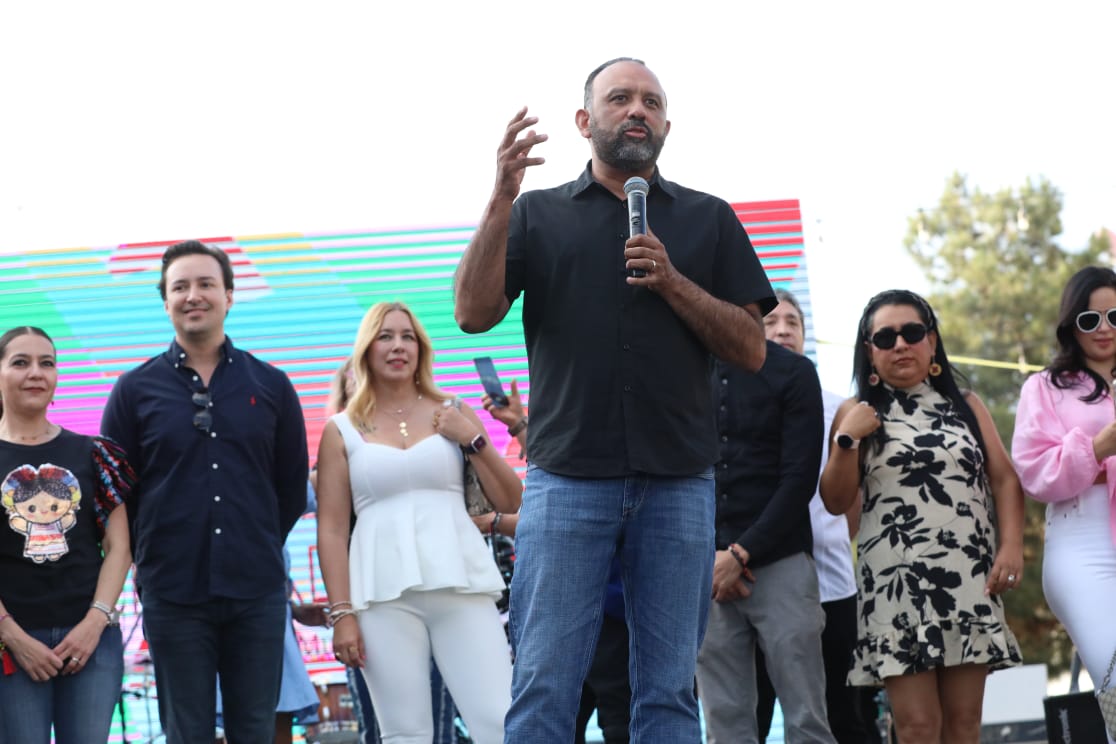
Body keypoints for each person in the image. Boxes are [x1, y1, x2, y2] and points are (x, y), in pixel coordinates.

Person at [454, 57, 774, 742]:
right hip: (568, 479)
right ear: (584, 121)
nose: (637, 111)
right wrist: (502, 195)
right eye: (620, 98)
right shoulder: (537, 213)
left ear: (666, 127)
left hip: (679, 481)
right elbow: (472, 314)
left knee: (669, 691)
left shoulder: (709, 218)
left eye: (652, 102)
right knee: (544, 683)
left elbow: (752, 349)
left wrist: (673, 281)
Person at [101, 240, 309, 743]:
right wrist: (150, 557)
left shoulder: (272, 385)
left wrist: (255, 540)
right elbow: (116, 495)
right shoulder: (133, 390)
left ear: (229, 296)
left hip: (256, 588)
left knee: (255, 729)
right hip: (173, 592)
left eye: (205, 284)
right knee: (186, 731)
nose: (193, 295)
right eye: (180, 287)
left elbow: (289, 488)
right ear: (166, 301)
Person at [819, 289, 1024, 744]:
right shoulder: (856, 412)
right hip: (895, 586)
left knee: (964, 724)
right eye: (885, 337)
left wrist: (1011, 547)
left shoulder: (967, 405)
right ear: (869, 351)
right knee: (916, 727)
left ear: (931, 341)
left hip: (968, 578)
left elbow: (1005, 479)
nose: (900, 345)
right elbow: (834, 501)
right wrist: (846, 441)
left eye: (912, 333)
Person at [316, 301, 522, 744]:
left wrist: (473, 438)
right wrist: (342, 614)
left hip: (461, 583)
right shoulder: (341, 429)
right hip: (380, 594)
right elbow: (331, 530)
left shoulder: (453, 410)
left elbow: (511, 500)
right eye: (385, 337)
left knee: (500, 721)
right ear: (366, 349)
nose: (398, 346)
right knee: (404, 733)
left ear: (422, 349)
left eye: (407, 337)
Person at [696, 326, 835, 743]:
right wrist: (712, 557)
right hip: (705, 568)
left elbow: (799, 479)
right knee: (724, 723)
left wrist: (740, 553)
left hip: (781, 560)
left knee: (807, 717)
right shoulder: (684, 369)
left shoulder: (792, 371)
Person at [0, 326, 135, 743]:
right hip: (10, 645)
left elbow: (119, 547)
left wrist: (95, 622)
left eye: (47, 363)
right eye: (20, 362)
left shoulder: (94, 454)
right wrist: (12, 637)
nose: (35, 372)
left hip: (91, 642)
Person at [480, 384, 630, 744]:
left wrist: (494, 521)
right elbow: (560, 475)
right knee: (549, 721)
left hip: (613, 607)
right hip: (561, 607)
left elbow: (575, 512)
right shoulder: (565, 436)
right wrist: (517, 424)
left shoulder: (622, 425)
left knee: (621, 723)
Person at [754, 289, 871, 744]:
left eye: (792, 322)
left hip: (832, 586)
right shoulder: (728, 402)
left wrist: (834, 539)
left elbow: (852, 497)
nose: (783, 330)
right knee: (754, 713)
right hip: (753, 580)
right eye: (770, 322)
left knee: (843, 715)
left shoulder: (839, 407)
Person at [1011, 265, 1116, 744]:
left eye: (1114, 316)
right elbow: (1034, 471)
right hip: (1083, 544)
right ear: (1072, 325)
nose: (1104, 328)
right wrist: (1097, 448)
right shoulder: (1045, 387)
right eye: (1090, 319)